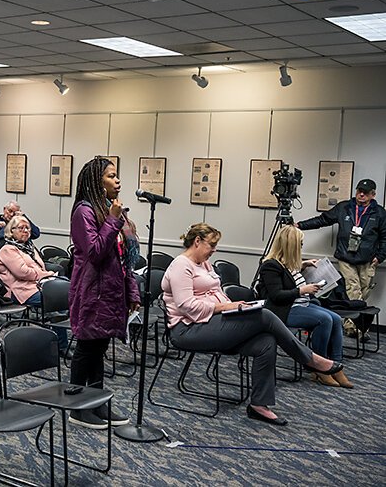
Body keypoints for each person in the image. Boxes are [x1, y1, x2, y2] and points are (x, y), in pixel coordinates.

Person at [161, 223, 343, 426]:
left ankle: (259, 405)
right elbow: (188, 306)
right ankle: (310, 359)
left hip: (211, 323)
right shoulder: (180, 265)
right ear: (197, 241)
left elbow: (216, 293)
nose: (214, 249)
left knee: (266, 341)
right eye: (211, 245)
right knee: (264, 316)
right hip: (188, 329)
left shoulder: (203, 263)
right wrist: (226, 307)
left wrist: (235, 307)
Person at [67, 158, 141, 430]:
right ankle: (77, 407)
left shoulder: (109, 213)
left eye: (116, 175)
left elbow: (123, 260)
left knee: (99, 348)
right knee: (87, 347)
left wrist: (131, 291)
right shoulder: (84, 212)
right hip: (92, 291)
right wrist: (112, 219)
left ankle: (97, 403)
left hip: (110, 291)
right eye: (111, 176)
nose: (118, 181)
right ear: (97, 182)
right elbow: (96, 253)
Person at [257, 225, 351, 388]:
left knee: (335, 318)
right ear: (290, 245)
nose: (301, 247)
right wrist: (302, 290)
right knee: (324, 320)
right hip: (284, 310)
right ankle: (319, 367)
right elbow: (276, 295)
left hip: (301, 305)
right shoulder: (270, 265)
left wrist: (304, 265)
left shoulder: (289, 263)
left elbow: (287, 274)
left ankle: (336, 365)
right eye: (299, 244)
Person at [296, 178, 386, 338]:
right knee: (353, 289)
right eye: (359, 191)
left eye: (365, 192)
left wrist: (380, 256)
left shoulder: (379, 213)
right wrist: (300, 225)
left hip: (368, 260)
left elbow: (385, 237)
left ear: (373, 194)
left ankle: (350, 325)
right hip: (346, 257)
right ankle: (358, 330)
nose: (361, 194)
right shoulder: (344, 207)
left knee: (363, 292)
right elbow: (323, 220)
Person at [0, 215, 68, 353]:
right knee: (57, 300)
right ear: (11, 231)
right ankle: (60, 345)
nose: (25, 231)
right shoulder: (8, 249)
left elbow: (39, 269)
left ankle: (57, 340)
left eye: (27, 228)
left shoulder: (28, 247)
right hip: (19, 291)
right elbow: (23, 273)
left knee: (66, 291)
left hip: (36, 285)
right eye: (21, 228)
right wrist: (47, 275)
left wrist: (44, 275)